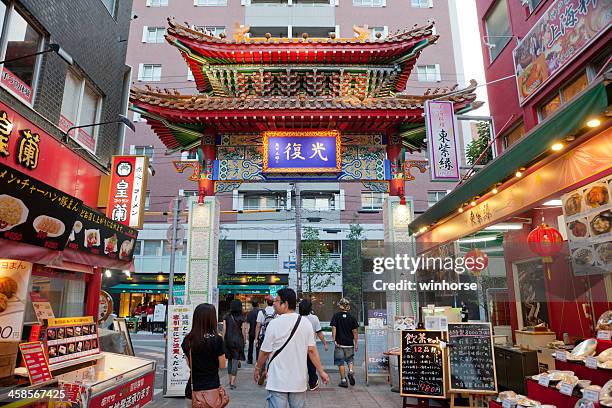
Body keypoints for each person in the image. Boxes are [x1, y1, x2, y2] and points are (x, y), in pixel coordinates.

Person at [254, 288, 329, 408]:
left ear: (285, 304)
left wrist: (258, 368)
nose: (274, 303)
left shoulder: (274, 324)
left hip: (277, 381)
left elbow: (264, 352)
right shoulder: (305, 323)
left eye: (277, 301)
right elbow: (312, 351)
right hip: (298, 381)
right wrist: (321, 371)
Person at [182, 303, 227, 408]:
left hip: (192, 391)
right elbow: (222, 365)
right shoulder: (217, 339)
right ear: (212, 319)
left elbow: (190, 365)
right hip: (212, 390)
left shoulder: (188, 339)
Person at [298, 299, 328, 391]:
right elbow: (319, 333)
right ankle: (312, 384)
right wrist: (325, 343)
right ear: (310, 308)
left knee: (299, 367)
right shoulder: (314, 318)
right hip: (310, 347)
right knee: (311, 367)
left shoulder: (297, 317)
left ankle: (299, 384)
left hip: (298, 347)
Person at [330, 298, 359, 388]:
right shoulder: (352, 317)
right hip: (349, 343)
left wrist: (334, 339)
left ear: (340, 306)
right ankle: (350, 371)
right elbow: (355, 332)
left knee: (340, 362)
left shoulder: (336, 316)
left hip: (339, 343)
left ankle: (343, 380)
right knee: (350, 359)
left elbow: (334, 328)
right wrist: (356, 343)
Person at [221, 299, 246, 389]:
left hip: (228, 340)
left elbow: (224, 329)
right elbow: (243, 331)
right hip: (238, 340)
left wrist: (223, 340)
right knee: (235, 359)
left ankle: (229, 379)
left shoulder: (226, 316)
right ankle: (232, 382)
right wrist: (244, 340)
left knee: (230, 360)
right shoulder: (242, 317)